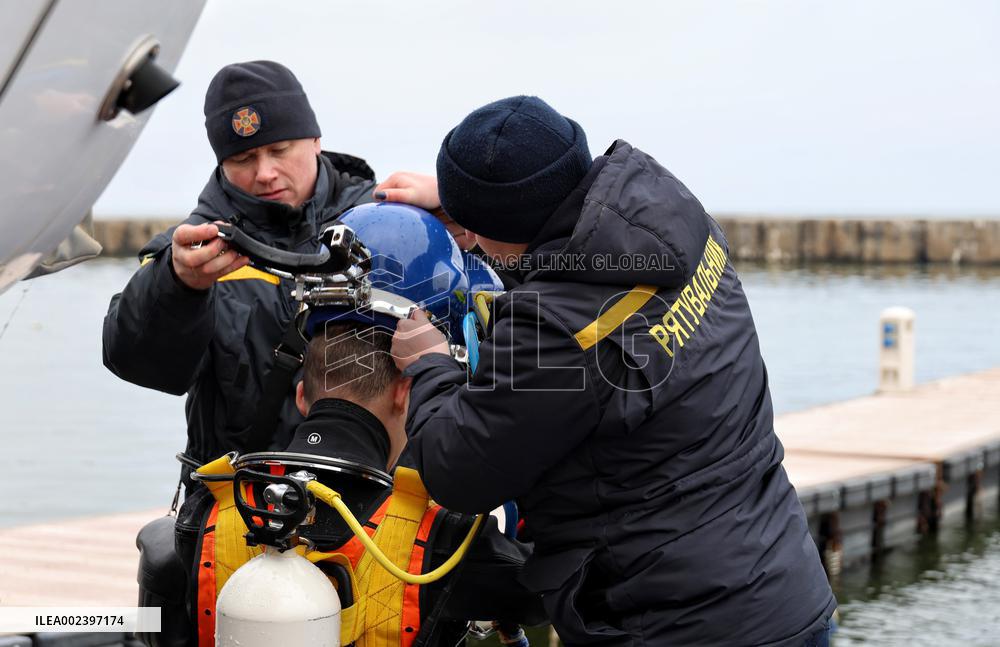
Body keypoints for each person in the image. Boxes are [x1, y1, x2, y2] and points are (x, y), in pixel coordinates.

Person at [384, 96, 836, 646]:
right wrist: (483, 213)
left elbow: (459, 471)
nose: (474, 242)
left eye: (479, 229)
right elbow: (584, 283)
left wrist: (429, 365)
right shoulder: (673, 219)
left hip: (676, 626)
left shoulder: (554, 331)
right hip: (785, 587)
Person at [185, 204, 544, 646]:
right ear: (405, 393)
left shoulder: (206, 514)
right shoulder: (449, 543)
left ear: (302, 395)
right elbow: (576, 581)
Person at [103, 60, 376, 469]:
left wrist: (459, 218)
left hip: (376, 488)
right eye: (244, 158)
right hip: (242, 494)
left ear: (315, 140)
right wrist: (178, 286)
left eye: (279, 150)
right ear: (221, 163)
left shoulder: (387, 225)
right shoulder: (190, 252)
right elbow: (137, 363)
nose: (265, 173)